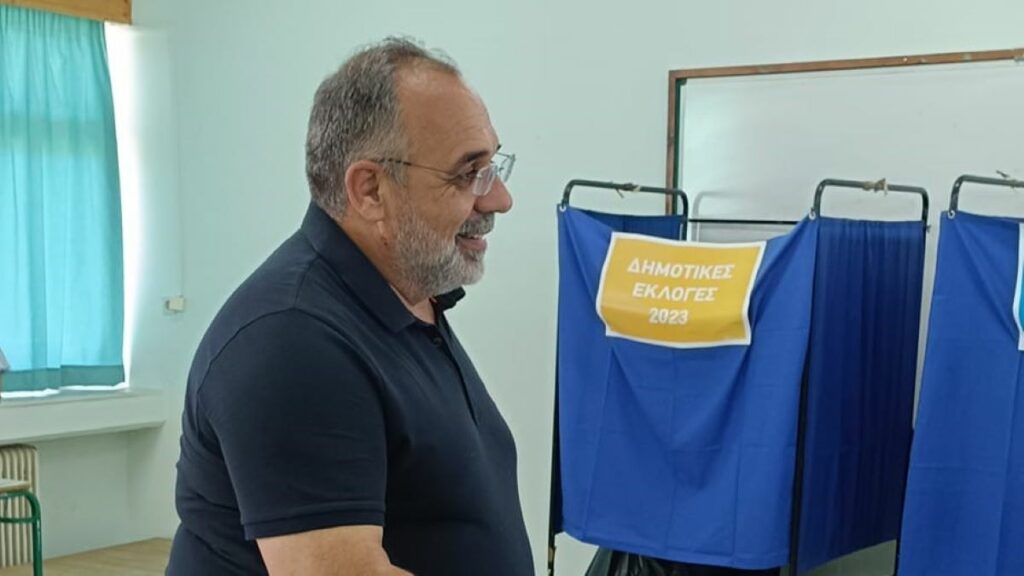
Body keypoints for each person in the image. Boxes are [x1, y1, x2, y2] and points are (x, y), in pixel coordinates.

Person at [166, 37, 533, 576]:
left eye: (494, 165)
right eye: (468, 172)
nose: (499, 198)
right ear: (370, 190)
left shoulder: (410, 299)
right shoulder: (292, 340)